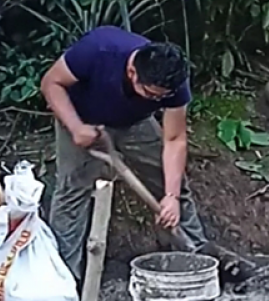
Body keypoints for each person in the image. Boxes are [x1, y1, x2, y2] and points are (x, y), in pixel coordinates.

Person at [40, 26, 247, 286]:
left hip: (135, 122)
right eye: (150, 94)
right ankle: (63, 280)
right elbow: (51, 82)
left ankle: (196, 258)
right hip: (81, 117)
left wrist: (170, 196)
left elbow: (174, 139)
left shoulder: (174, 83)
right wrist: (76, 127)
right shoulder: (99, 49)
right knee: (72, 191)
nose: (156, 99)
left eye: (161, 98)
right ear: (132, 72)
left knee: (172, 184)